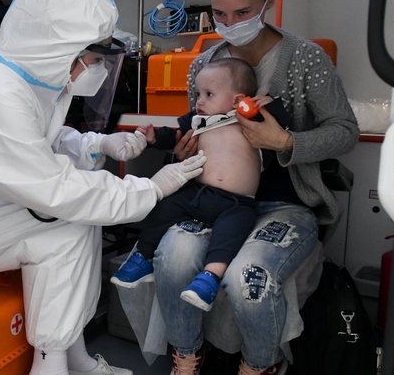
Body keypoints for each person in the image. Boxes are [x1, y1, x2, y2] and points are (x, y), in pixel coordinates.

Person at [0, 0, 207, 375]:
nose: (97, 70)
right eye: (95, 59)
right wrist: (151, 188)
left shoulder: (27, 73)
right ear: (62, 49)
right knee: (65, 226)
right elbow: (53, 188)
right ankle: (50, 364)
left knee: (80, 218)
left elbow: (38, 141)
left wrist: (97, 143)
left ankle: (74, 357)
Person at [145, 0, 359, 375]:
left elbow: (345, 132)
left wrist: (286, 143)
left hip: (284, 204)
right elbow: (198, 127)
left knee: (248, 280)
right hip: (214, 199)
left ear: (269, 1)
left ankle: (260, 366)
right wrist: (183, 152)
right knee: (174, 258)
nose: (230, 23)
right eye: (220, 14)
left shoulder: (305, 59)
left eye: (243, 12)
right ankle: (186, 358)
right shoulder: (205, 66)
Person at [111, 58, 291, 312]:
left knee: (229, 236)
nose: (200, 102)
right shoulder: (199, 120)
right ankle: (143, 257)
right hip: (196, 194)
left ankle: (209, 279)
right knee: (163, 207)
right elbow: (175, 136)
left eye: (209, 94)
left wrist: (270, 105)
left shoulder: (253, 120)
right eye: (198, 94)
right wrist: (154, 137)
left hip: (236, 203)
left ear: (238, 100)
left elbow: (284, 126)